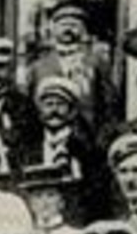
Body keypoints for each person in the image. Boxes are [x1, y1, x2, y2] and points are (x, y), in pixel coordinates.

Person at [15, 78, 110, 222]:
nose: (54, 110)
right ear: (40, 111)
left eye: (61, 104)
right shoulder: (26, 148)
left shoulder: (88, 151)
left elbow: (98, 197)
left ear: (72, 110)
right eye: (48, 105)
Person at [25, 2, 119, 133]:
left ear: (83, 30)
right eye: (63, 25)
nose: (68, 30)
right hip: (49, 138)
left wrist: (104, 137)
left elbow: (110, 104)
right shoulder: (38, 67)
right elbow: (30, 109)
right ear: (54, 29)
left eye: (74, 25)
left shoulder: (95, 63)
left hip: (88, 140)